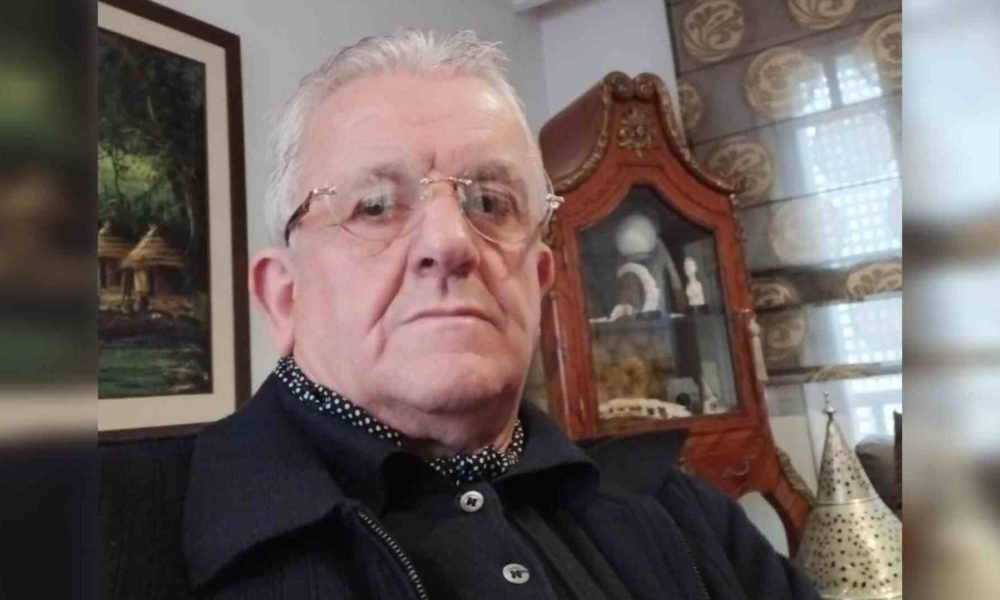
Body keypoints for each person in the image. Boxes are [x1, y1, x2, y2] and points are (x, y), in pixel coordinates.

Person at [104, 29, 820, 599]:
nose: (450, 242)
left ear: (540, 281)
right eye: (374, 206)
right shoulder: (96, 528)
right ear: (283, 296)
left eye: (491, 202)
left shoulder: (688, 517)